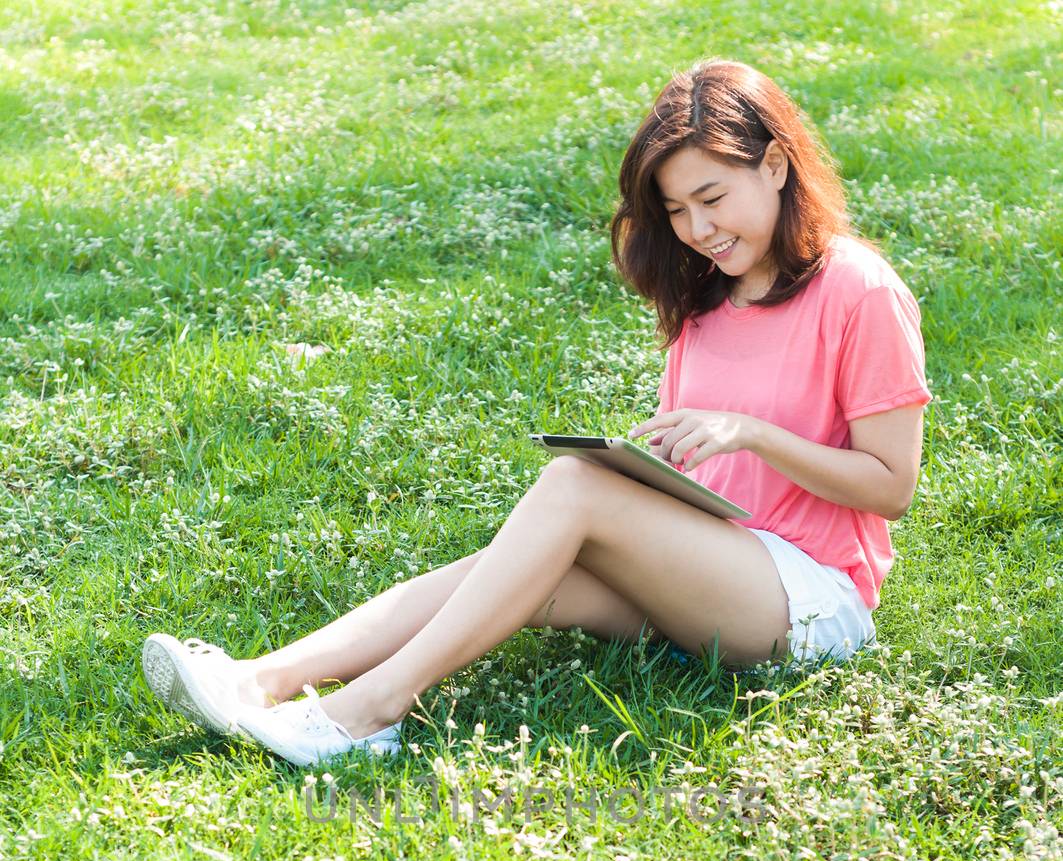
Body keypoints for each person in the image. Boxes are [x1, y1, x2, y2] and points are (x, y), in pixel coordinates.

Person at [141, 57, 932, 768]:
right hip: (724, 566)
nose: (697, 230)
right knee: (521, 573)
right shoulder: (705, 298)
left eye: (711, 198)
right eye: (676, 211)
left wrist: (752, 435)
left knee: (571, 489)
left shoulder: (858, 289)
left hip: (812, 604)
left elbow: (890, 484)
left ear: (775, 163)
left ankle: (362, 716)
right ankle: (258, 681)